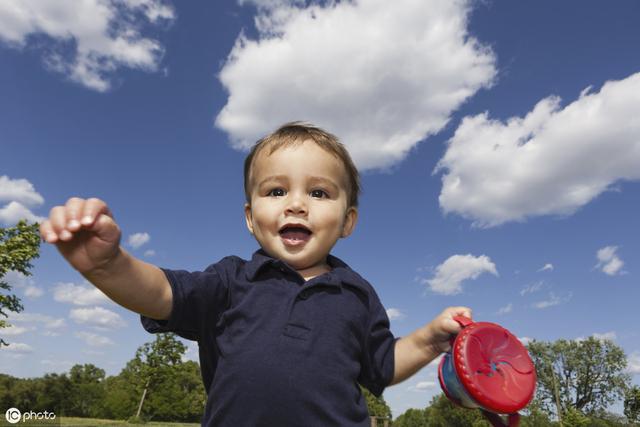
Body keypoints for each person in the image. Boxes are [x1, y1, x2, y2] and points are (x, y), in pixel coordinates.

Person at [40, 122, 472, 426]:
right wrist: (108, 265)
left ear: (347, 221)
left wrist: (429, 339)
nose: (296, 204)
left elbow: (381, 366)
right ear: (251, 217)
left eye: (319, 192)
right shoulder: (231, 281)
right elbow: (161, 294)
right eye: (276, 190)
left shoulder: (357, 295)